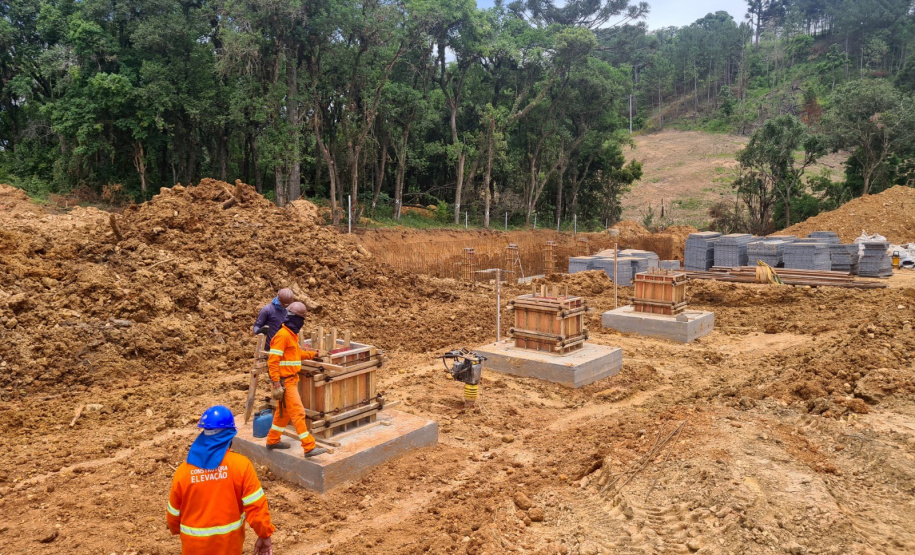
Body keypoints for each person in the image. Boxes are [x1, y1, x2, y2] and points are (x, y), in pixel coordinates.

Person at [167, 405, 275, 555]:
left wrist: (177, 530)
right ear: (229, 436)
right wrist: (264, 535)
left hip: (193, 548)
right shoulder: (241, 466)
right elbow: (256, 508)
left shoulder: (183, 471)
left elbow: (173, 514)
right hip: (229, 546)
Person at [265, 301, 326, 457]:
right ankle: (309, 447)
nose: (301, 323)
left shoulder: (292, 335)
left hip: (291, 380)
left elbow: (297, 355)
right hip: (285, 382)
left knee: (283, 414)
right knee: (298, 412)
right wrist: (276, 383)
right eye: (300, 319)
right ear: (293, 318)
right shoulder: (282, 336)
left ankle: (272, 440)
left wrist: (314, 354)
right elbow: (272, 361)